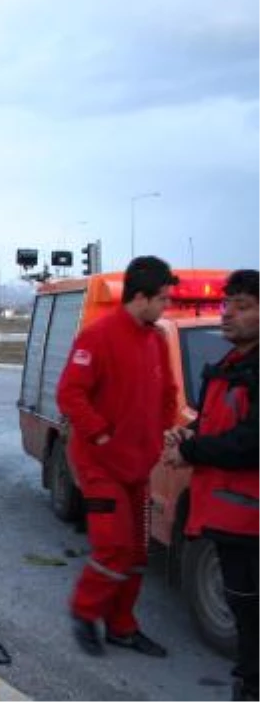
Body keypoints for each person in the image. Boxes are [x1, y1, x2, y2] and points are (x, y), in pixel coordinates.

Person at [57, 255, 179, 657]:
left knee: (138, 554)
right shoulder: (98, 336)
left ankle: (122, 627)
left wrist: (161, 435)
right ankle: (84, 612)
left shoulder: (156, 340)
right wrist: (102, 435)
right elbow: (70, 394)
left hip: (137, 469)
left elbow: (166, 396)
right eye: (162, 299)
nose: (166, 306)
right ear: (140, 297)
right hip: (101, 466)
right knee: (113, 548)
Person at [162, 270, 260, 701]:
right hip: (227, 516)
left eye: (244, 306)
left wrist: (192, 453)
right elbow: (212, 423)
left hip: (252, 520)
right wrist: (190, 436)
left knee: (253, 612)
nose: (229, 314)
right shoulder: (224, 368)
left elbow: (250, 444)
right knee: (243, 609)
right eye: (228, 304)